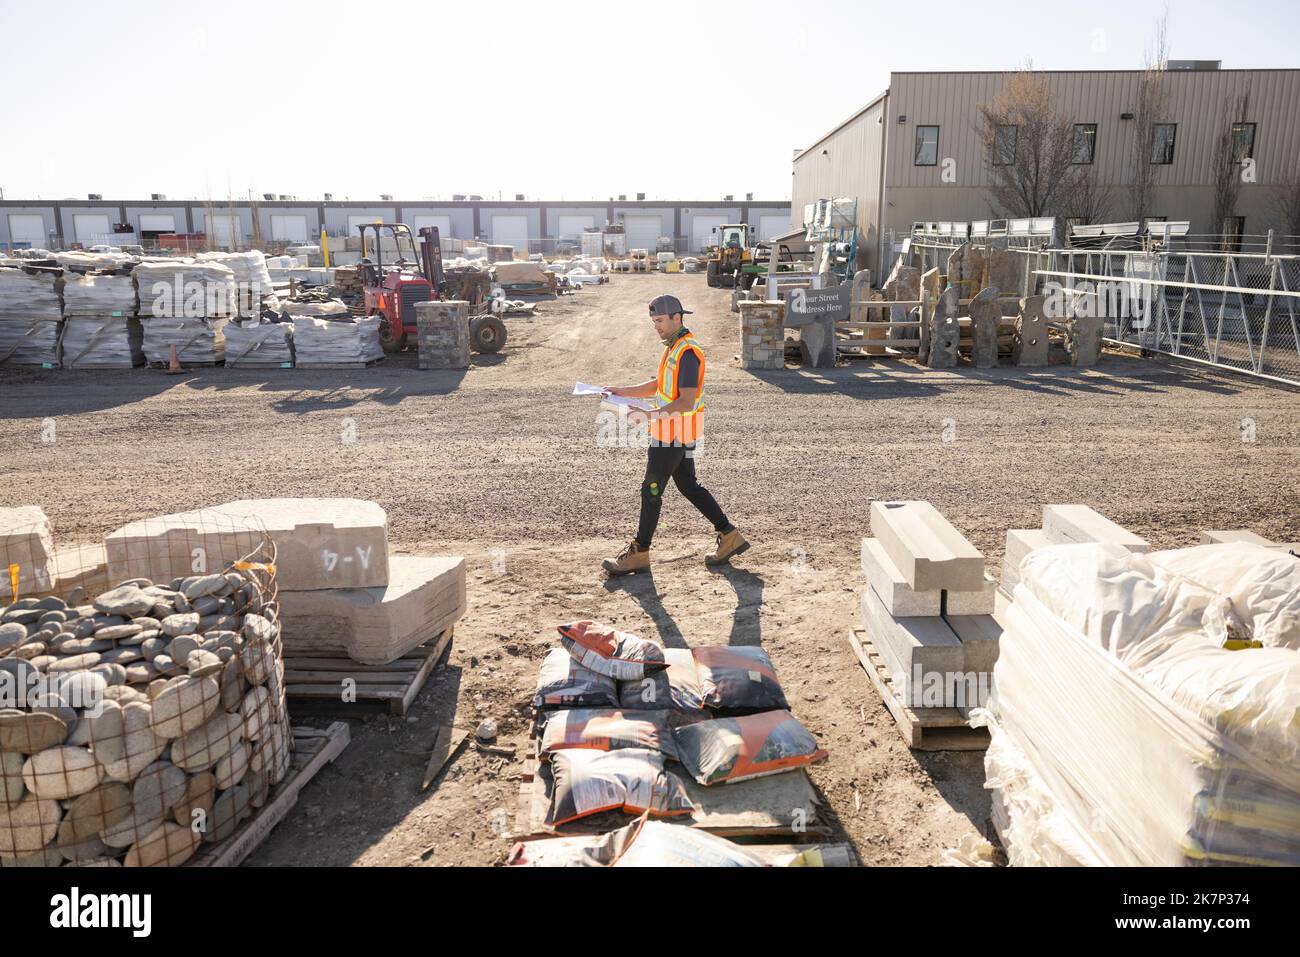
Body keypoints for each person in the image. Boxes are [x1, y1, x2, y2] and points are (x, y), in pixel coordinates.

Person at [601, 294, 748, 576]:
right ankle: (729, 536)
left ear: (676, 318)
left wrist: (648, 416)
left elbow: (686, 401)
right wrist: (619, 390)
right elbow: (659, 384)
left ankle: (639, 553)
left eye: (659, 321)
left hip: (673, 432)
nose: (656, 326)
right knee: (688, 485)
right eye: (653, 321)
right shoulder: (675, 347)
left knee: (651, 490)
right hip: (677, 430)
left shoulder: (688, 352)